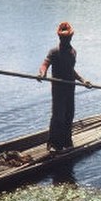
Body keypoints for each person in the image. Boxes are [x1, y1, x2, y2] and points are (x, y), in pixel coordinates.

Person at [38, 22, 90, 152]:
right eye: (62, 38)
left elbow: (71, 70)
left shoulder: (73, 52)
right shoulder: (54, 51)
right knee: (58, 116)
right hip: (58, 88)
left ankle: (67, 141)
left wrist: (83, 80)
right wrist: (42, 73)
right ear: (59, 37)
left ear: (71, 37)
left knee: (69, 114)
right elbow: (45, 64)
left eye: (67, 37)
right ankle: (53, 144)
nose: (65, 39)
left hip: (70, 87)